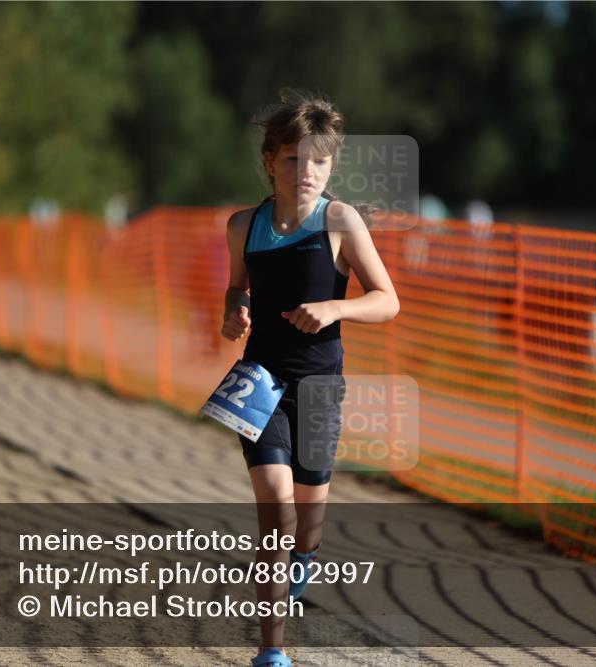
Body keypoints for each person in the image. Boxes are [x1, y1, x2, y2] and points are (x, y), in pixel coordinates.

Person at [221, 89, 399, 667]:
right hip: (260, 382)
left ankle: (306, 557)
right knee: (276, 509)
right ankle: (272, 655)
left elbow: (387, 300)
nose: (306, 173)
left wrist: (335, 310)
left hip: (320, 387)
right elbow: (237, 284)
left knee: (306, 523)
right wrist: (235, 308)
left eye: (318, 162)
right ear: (271, 160)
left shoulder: (341, 222)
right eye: (294, 161)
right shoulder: (243, 225)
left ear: (332, 165)